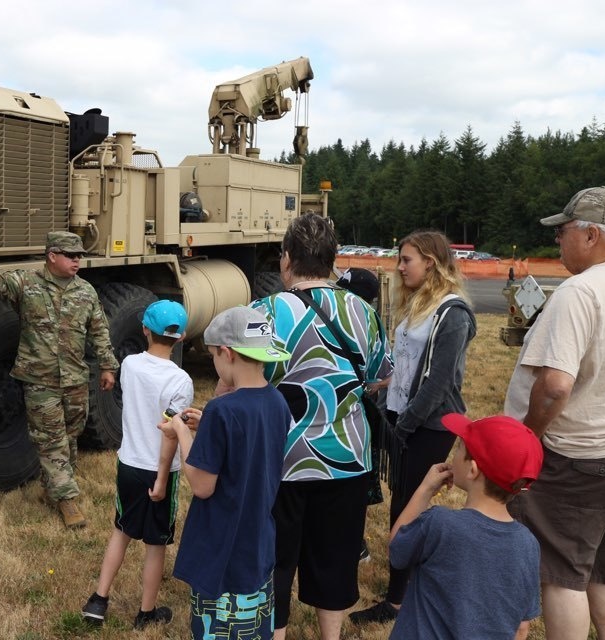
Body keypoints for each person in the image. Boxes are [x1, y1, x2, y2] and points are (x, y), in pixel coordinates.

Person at [251, 214, 393, 640]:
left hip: (280, 459)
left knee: (274, 559)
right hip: (346, 458)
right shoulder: (362, 312)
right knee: (335, 556)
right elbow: (379, 375)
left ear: (287, 259)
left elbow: (240, 380)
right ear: (333, 260)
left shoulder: (265, 311)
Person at [504, 186, 605, 640]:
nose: (557, 241)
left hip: (573, 459)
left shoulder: (579, 292)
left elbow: (554, 388)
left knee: (562, 575)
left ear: (590, 235)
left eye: (563, 231)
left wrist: (526, 437)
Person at [351, 229, 476, 626]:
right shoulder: (418, 305)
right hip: (404, 419)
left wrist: (403, 426)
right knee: (403, 503)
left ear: (431, 263)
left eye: (407, 260)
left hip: (428, 426)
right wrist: (384, 393)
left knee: (408, 506)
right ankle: (403, 590)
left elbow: (439, 383)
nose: (399, 266)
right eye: (399, 259)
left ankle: (399, 601)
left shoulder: (452, 313)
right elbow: (407, 366)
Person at [159, 306, 292, 640]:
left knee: (220, 628)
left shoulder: (223, 409)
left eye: (213, 357)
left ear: (226, 353)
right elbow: (252, 444)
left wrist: (183, 431)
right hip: (257, 540)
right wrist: (209, 426)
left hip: (223, 546)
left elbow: (202, 485)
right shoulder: (277, 401)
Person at [0, 231, 118, 529]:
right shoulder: (25, 284)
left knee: (71, 434)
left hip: (74, 378)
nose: (77, 261)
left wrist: (108, 367)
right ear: (52, 256)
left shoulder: (86, 292)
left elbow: (99, 332)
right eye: (71, 255)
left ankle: (54, 486)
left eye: (79, 256)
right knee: (51, 440)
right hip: (39, 379)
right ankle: (66, 499)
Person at [81, 300, 194, 630]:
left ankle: (98, 600)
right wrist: (161, 479)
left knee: (121, 530)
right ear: (182, 337)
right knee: (155, 544)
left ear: (145, 329)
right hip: (159, 471)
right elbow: (170, 434)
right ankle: (146, 613)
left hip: (129, 463)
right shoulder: (181, 381)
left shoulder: (129, 364)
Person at [388, 413, 543, 639]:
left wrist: (425, 490)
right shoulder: (528, 544)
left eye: (460, 447)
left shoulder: (439, 523)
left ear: (472, 470)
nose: (454, 453)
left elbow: (396, 551)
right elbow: (521, 627)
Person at [335, 266, 385, 564]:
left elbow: (389, 371)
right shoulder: (365, 321)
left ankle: (357, 543)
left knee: (358, 487)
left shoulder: (366, 322)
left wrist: (376, 384)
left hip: (359, 413)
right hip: (357, 416)